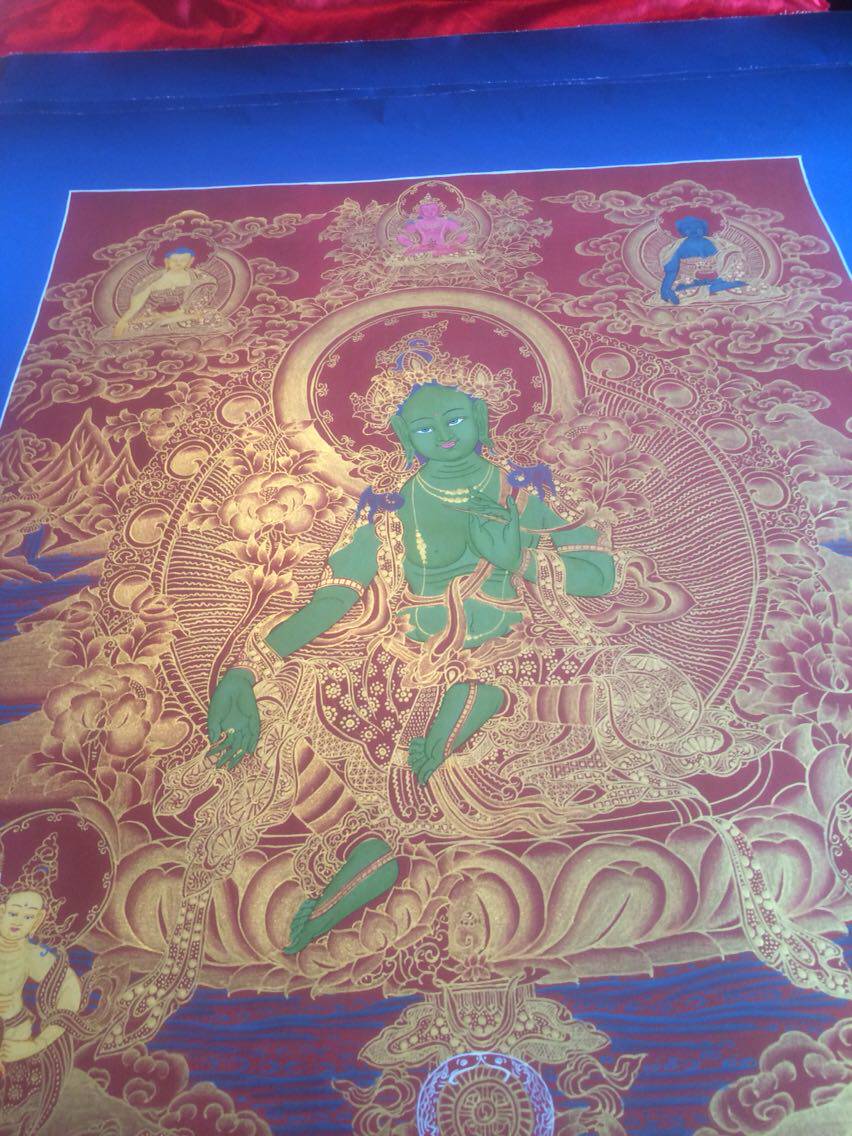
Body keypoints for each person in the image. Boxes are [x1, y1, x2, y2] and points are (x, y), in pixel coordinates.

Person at [206, 380, 615, 952]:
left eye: (455, 419)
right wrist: (249, 668)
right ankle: (363, 845)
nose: (443, 435)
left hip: (504, 650)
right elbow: (335, 597)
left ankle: (483, 701)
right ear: (404, 437)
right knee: (274, 705)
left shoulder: (521, 493)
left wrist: (517, 558)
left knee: (592, 692)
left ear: (480, 418)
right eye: (424, 427)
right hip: (408, 660)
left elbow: (600, 575)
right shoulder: (389, 508)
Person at [112, 246, 217, 337]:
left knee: (211, 318)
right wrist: (123, 321)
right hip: (154, 316)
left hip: (184, 316)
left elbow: (204, 293)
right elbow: (136, 306)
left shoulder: (197, 276)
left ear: (190, 261)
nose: (178, 263)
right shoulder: (152, 279)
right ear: (166, 261)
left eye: (183, 260)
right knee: (135, 326)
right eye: (174, 260)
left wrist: (185, 313)